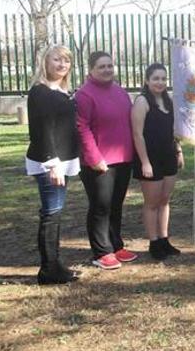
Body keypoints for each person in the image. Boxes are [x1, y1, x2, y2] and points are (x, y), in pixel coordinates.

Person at [76, 51, 137, 270]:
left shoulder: (120, 91)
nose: (107, 70)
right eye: (101, 66)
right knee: (100, 206)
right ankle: (101, 251)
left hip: (123, 158)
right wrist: (94, 158)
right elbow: (81, 128)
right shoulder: (84, 95)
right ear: (91, 69)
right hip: (99, 162)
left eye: (110, 66)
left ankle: (116, 244)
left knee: (116, 205)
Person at [26, 45, 80, 284]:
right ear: (45, 62)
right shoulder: (40, 92)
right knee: (51, 213)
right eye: (56, 59)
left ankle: (54, 264)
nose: (62, 64)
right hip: (51, 162)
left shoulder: (59, 90)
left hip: (64, 159)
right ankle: (49, 269)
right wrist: (51, 163)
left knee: (54, 213)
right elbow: (41, 129)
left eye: (66, 60)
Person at [132, 63, 184, 259]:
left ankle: (164, 239)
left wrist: (178, 150)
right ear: (147, 80)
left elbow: (173, 131)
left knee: (165, 201)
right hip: (150, 159)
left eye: (163, 78)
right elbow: (137, 135)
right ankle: (154, 243)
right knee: (152, 203)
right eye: (156, 78)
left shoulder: (168, 101)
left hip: (168, 156)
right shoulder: (142, 102)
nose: (160, 82)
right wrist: (145, 162)